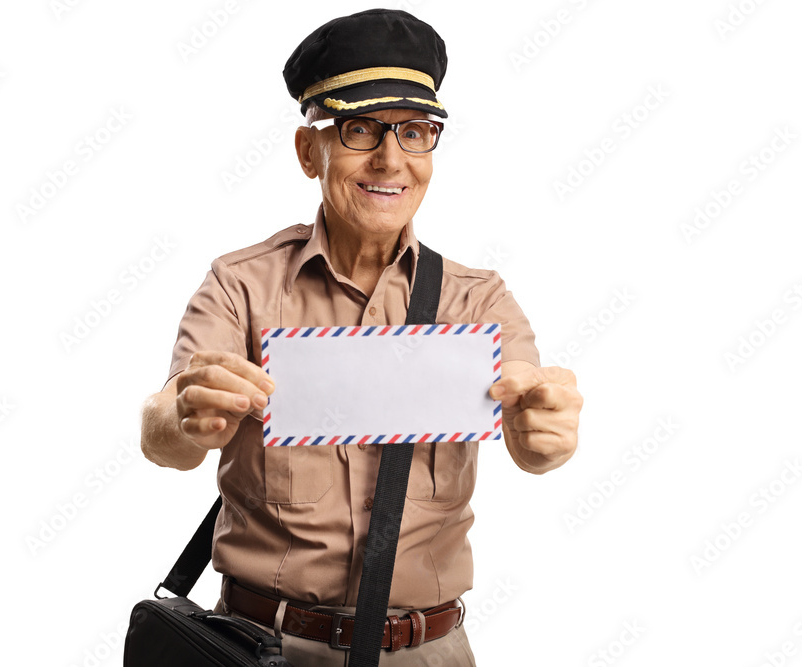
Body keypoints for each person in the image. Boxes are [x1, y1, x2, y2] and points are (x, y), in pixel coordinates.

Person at [140, 9, 583, 665]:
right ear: (308, 150)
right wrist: (181, 414)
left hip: (427, 651)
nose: (391, 159)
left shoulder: (477, 298)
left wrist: (546, 431)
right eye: (358, 130)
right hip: (262, 647)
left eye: (414, 132)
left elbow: (535, 431)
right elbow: (164, 434)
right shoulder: (241, 284)